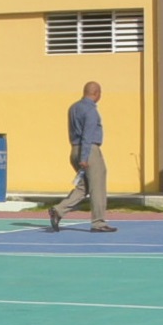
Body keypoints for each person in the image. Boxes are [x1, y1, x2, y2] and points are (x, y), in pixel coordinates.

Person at [43, 81, 116, 232]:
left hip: (74, 149)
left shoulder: (74, 108)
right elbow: (87, 134)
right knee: (98, 188)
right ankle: (98, 223)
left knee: (84, 187)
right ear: (96, 93)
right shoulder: (91, 111)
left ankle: (58, 210)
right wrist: (84, 157)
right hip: (88, 151)